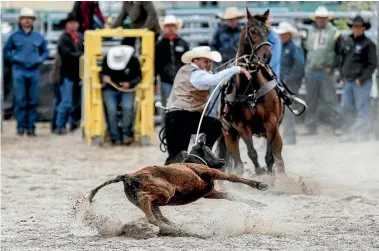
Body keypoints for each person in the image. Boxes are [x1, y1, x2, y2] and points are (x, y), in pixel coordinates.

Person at [164, 46, 252, 165]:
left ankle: (200, 153)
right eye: (206, 61)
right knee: (178, 155)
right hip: (182, 117)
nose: (209, 64)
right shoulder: (197, 74)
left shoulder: (185, 70)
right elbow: (215, 79)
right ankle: (202, 152)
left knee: (177, 155)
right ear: (196, 60)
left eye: (210, 61)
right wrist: (236, 69)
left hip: (175, 117)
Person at [3, 8, 49, 136]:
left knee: (33, 99)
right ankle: (21, 126)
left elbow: (45, 51)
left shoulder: (39, 37)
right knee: (20, 99)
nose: (27, 20)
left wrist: (39, 59)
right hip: (19, 70)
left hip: (33, 71)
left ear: (33, 20)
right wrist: (15, 59)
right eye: (24, 18)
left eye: (29, 18)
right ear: (20, 20)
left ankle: (31, 127)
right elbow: (6, 51)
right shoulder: (13, 36)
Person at [303, 6, 343, 136]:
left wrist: (333, 66)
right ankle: (310, 127)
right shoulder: (309, 32)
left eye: (322, 18)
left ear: (327, 19)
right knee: (310, 100)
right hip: (311, 70)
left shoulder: (335, 33)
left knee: (331, 100)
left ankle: (337, 126)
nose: (320, 20)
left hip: (326, 72)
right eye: (318, 18)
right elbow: (305, 51)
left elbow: (340, 53)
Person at [339, 16, 377, 142]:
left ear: (364, 28)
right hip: (348, 80)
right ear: (353, 27)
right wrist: (342, 76)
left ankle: (362, 134)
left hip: (361, 82)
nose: (357, 29)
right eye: (355, 27)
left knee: (362, 108)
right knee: (346, 107)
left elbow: (372, 64)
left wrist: (362, 78)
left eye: (359, 27)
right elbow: (342, 60)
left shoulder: (369, 44)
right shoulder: (347, 41)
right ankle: (350, 132)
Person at [100, 45, 142, 145]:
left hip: (127, 89)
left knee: (127, 108)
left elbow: (139, 76)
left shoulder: (133, 60)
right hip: (110, 88)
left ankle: (126, 134)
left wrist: (130, 84)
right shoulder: (107, 58)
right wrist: (104, 77)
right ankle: (115, 136)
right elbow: (101, 73)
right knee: (111, 110)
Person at [274, 22, 305, 145]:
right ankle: (282, 136)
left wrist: (289, 79)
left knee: (287, 110)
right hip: (280, 82)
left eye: (283, 34)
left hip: (289, 84)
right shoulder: (280, 47)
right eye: (280, 34)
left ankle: (290, 137)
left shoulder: (294, 47)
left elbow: (299, 65)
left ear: (288, 34)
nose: (281, 36)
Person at [54, 13, 84, 135]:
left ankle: (72, 124)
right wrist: (83, 55)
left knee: (76, 102)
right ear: (66, 24)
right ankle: (60, 125)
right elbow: (68, 55)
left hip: (78, 74)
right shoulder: (64, 38)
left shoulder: (80, 37)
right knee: (66, 102)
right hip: (67, 74)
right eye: (71, 22)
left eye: (75, 22)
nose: (73, 24)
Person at [155, 15, 189, 108]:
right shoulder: (159, 45)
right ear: (164, 28)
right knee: (167, 105)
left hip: (181, 81)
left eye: (172, 26)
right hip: (165, 80)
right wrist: (154, 81)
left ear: (176, 28)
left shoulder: (183, 43)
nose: (170, 29)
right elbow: (156, 64)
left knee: (181, 106)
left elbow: (188, 62)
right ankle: (166, 122)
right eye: (168, 26)